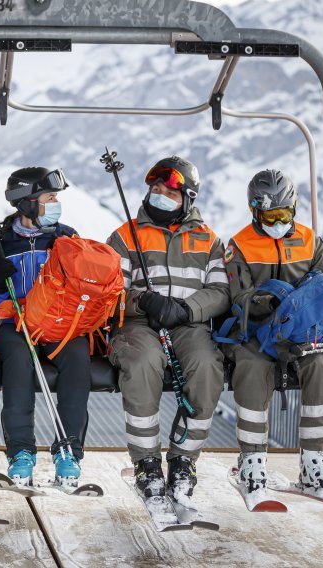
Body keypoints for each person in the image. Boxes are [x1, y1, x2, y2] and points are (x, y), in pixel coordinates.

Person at [106, 156, 229, 500]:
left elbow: (220, 292)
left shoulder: (208, 241)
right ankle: (146, 462)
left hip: (188, 324)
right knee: (143, 361)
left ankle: (183, 460)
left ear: (187, 199)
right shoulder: (126, 235)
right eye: (154, 188)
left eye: (169, 190)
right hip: (138, 324)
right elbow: (109, 288)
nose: (158, 192)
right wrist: (143, 301)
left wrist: (187, 309)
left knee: (206, 366)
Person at [223, 169, 323, 494]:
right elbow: (238, 298)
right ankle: (251, 460)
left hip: (303, 335)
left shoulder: (310, 242)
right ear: (255, 212)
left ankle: (313, 460)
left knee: (322, 364)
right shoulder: (240, 246)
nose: (279, 221)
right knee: (250, 368)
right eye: (271, 215)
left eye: (285, 213)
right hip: (258, 335)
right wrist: (273, 303)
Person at [0, 167, 92, 486]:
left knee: (77, 357)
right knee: (18, 360)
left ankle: (69, 450)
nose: (56, 203)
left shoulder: (66, 237)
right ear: (29, 203)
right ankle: (21, 452)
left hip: (57, 319)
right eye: (50, 198)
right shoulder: (0, 241)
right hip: (14, 318)